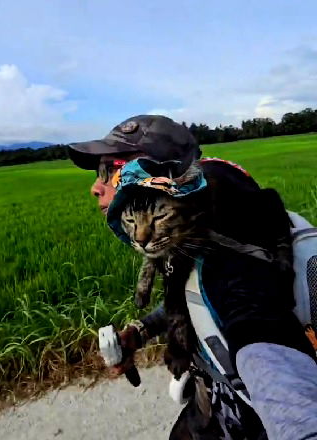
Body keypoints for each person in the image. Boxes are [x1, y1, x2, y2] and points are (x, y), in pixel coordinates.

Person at [68, 114, 317, 440]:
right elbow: (194, 293)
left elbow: (258, 332)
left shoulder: (227, 246)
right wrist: (142, 331)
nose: (95, 187)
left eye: (111, 170)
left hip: (243, 418)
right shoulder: (190, 225)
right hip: (213, 395)